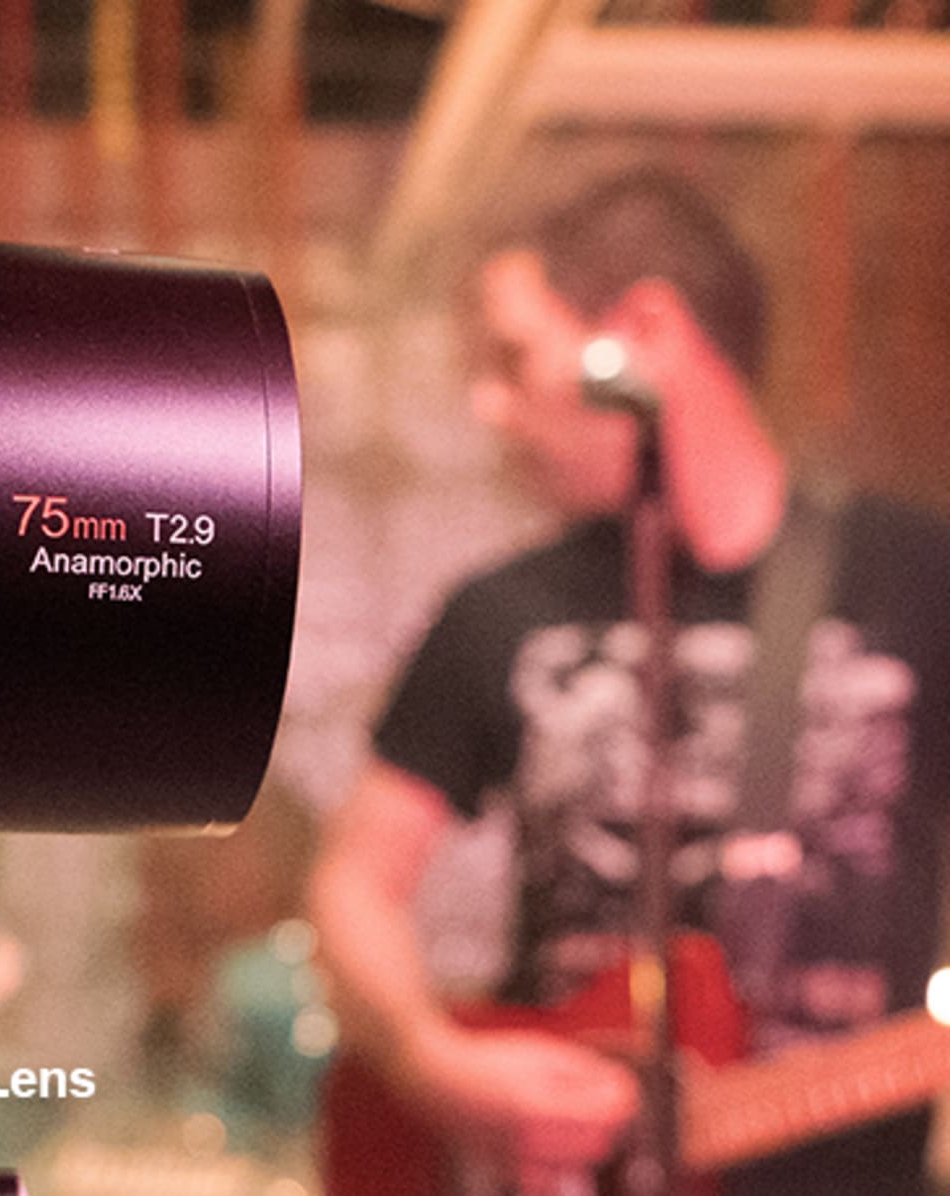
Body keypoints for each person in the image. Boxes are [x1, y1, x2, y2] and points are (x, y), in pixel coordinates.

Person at [309, 168, 950, 1195]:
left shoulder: (918, 578)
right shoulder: (499, 610)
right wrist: (432, 1064)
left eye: (515, 358)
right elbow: (355, 882)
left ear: (645, 331)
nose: (490, 407)